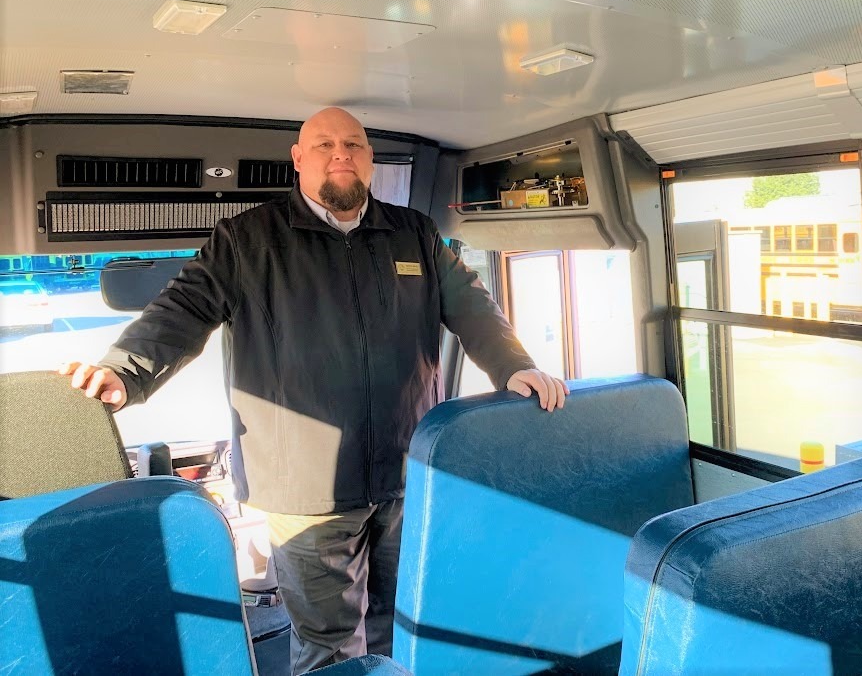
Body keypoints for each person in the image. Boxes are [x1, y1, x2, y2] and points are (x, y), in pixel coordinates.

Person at [61, 106, 568, 673]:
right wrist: (124, 371)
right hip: (303, 489)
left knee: (397, 625)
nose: (341, 154)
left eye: (353, 144)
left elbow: (473, 306)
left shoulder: (416, 234)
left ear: (370, 162)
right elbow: (181, 312)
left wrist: (514, 366)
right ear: (299, 160)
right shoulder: (246, 241)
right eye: (325, 145)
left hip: (404, 472)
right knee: (329, 647)